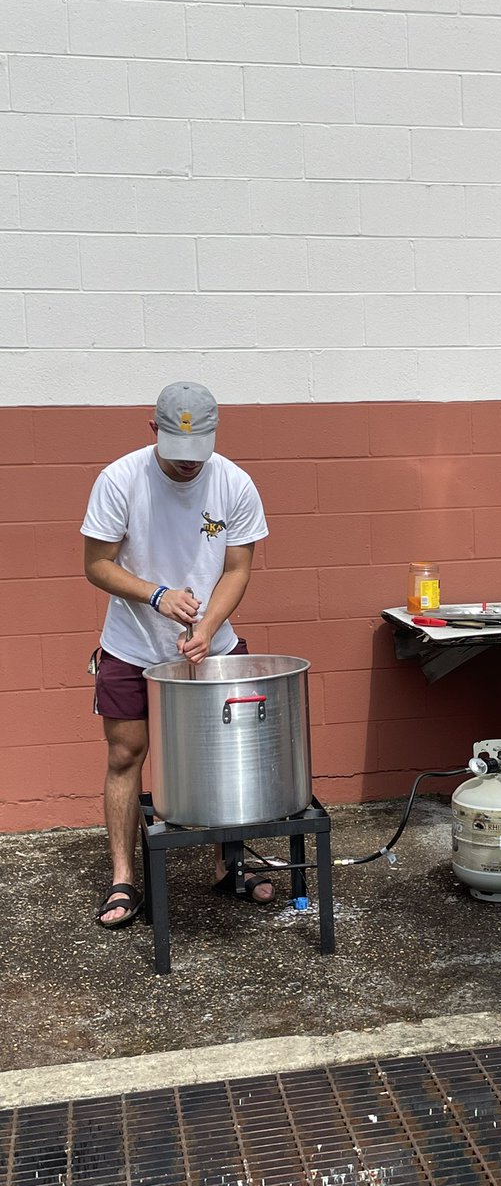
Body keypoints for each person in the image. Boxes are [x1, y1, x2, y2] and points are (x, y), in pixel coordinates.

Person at [82, 381, 271, 928]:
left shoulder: (234, 482)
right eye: (177, 450)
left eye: (198, 451)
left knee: (226, 756)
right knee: (126, 755)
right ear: (153, 430)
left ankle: (228, 865)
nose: (189, 462)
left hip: (212, 645)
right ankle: (123, 878)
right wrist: (157, 595)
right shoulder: (120, 479)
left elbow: (237, 568)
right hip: (131, 644)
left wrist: (207, 627)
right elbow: (97, 565)